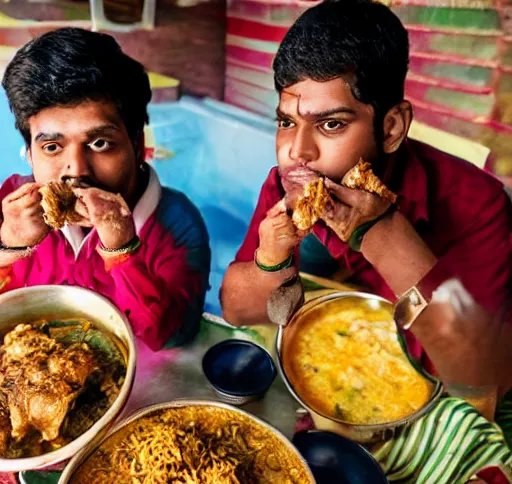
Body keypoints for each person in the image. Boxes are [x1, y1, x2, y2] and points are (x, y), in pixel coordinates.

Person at [220, 0, 512, 388]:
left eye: (331, 124)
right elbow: (238, 312)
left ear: (391, 129)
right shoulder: (290, 183)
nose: (297, 151)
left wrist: (378, 232)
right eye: (286, 122)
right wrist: (270, 260)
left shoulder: (478, 204)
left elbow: (477, 372)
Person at [0, 27, 211, 351]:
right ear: (30, 154)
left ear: (138, 146)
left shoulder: (178, 223)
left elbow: (172, 337)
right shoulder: (12, 203)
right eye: (53, 147)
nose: (76, 169)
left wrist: (123, 249)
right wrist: (9, 248)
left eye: (100, 143)